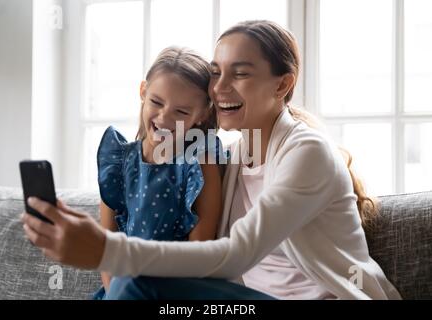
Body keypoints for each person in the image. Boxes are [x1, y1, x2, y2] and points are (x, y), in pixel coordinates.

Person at [21, 20, 402, 300]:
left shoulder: (306, 151)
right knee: (131, 286)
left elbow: (235, 255)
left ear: (282, 85)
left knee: (136, 283)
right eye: (216, 74)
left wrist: (106, 249)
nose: (219, 89)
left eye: (240, 74)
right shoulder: (233, 158)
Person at [93, 47, 225, 298]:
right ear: (143, 92)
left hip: (175, 292)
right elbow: (107, 249)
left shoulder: (198, 165)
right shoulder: (118, 161)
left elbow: (200, 254)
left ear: (202, 115)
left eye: (182, 112)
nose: (164, 117)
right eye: (156, 102)